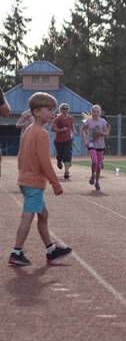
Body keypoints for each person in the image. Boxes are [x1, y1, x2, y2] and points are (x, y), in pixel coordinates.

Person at [9, 92, 72, 267]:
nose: (53, 113)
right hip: (33, 183)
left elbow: (20, 157)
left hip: (25, 181)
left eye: (53, 110)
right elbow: (45, 163)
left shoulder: (28, 131)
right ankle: (16, 252)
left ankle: (51, 250)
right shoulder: (41, 134)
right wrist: (56, 184)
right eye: (49, 110)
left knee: (43, 215)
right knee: (27, 216)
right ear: (37, 112)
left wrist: (23, 174)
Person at [81, 105, 110, 192]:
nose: (96, 113)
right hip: (92, 144)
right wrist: (86, 140)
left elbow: (106, 133)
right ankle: (92, 175)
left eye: (97, 112)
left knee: (99, 165)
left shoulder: (103, 121)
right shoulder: (89, 121)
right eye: (94, 111)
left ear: (100, 113)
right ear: (91, 112)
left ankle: (97, 181)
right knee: (94, 161)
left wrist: (101, 133)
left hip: (100, 145)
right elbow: (83, 130)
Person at [52, 103, 75, 180]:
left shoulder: (71, 118)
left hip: (68, 140)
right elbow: (52, 129)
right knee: (60, 155)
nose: (65, 110)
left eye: (66, 108)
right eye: (63, 108)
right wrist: (61, 130)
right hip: (59, 141)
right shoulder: (57, 119)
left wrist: (74, 131)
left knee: (67, 155)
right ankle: (59, 161)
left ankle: (66, 172)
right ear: (60, 109)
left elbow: (71, 127)